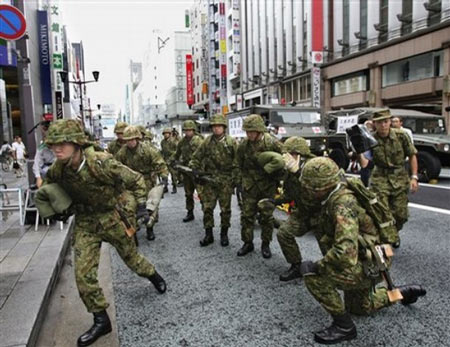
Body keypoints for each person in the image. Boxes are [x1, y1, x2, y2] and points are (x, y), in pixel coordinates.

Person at [43, 119, 166, 347]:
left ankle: (153, 275)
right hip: (86, 222)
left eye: (63, 144)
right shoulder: (58, 169)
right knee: (83, 275)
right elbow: (50, 188)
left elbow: (136, 179)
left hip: (112, 217)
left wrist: (140, 205)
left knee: (133, 260)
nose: (56, 149)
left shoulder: (101, 162)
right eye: (53, 145)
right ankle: (101, 319)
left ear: (78, 144)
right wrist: (57, 209)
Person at [297, 157, 426, 345]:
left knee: (312, 274)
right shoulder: (338, 191)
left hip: (368, 263)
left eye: (310, 187)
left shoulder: (342, 204)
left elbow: (345, 252)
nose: (307, 190)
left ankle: (344, 327)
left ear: (321, 186)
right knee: (361, 308)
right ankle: (403, 293)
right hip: (374, 259)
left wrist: (319, 265)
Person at [359, 109, 419, 248]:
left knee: (400, 214)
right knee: (381, 211)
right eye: (380, 123)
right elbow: (365, 163)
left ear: (390, 122)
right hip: (380, 177)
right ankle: (386, 238)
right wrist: (359, 149)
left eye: (386, 122)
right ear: (375, 124)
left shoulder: (401, 136)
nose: (384, 126)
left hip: (399, 176)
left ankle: (394, 232)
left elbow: (412, 155)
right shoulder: (370, 139)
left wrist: (414, 177)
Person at [235, 114, 282, 259]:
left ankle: (265, 244)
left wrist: (277, 177)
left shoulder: (272, 143)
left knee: (266, 217)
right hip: (249, 186)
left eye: (252, 132)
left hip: (267, 185)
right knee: (247, 216)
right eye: (247, 132)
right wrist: (239, 182)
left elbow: (283, 161)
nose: (249, 135)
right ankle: (247, 243)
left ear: (260, 131)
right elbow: (238, 164)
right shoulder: (243, 145)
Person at [189, 114, 239, 247]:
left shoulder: (231, 142)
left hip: (225, 180)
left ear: (224, 127)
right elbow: (196, 156)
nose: (216, 129)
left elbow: (238, 161)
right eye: (214, 126)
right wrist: (194, 167)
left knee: (225, 209)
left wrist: (235, 178)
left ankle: (224, 234)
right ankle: (208, 234)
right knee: (207, 207)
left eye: (219, 126)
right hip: (210, 179)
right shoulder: (207, 141)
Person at [273, 136, 316, 281]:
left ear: (300, 154)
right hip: (302, 212)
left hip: (321, 213)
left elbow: (315, 189)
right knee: (284, 233)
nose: (287, 157)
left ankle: (334, 271)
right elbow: (290, 194)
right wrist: (273, 201)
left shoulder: (315, 165)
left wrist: (298, 172)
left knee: (329, 245)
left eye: (291, 154)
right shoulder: (289, 169)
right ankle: (296, 265)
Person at [115, 125, 169, 241]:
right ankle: (133, 230)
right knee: (131, 208)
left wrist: (164, 178)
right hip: (130, 183)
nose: (130, 142)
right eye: (128, 140)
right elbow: (116, 168)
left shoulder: (148, 150)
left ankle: (150, 229)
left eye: (132, 139)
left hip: (147, 181)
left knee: (150, 207)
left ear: (137, 139)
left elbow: (160, 164)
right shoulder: (122, 153)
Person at [171, 120, 203, 222]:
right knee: (188, 193)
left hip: (198, 171)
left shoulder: (199, 140)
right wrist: (172, 161)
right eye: (185, 130)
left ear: (193, 130)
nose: (187, 132)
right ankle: (190, 213)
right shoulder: (182, 141)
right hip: (186, 171)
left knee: (202, 194)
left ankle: (207, 213)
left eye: (189, 130)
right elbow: (177, 153)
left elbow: (206, 154)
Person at [32, 121, 55, 187]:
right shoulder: (41, 148)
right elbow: (37, 164)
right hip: (47, 172)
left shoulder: (62, 146)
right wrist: (38, 177)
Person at [160, 127, 178, 194]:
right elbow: (163, 151)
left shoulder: (173, 141)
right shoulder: (162, 142)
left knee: (173, 175)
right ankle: (165, 187)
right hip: (165, 160)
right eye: (164, 134)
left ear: (170, 134)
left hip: (172, 160)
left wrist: (172, 159)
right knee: (164, 175)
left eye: (167, 133)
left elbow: (176, 151)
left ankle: (174, 187)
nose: (165, 135)